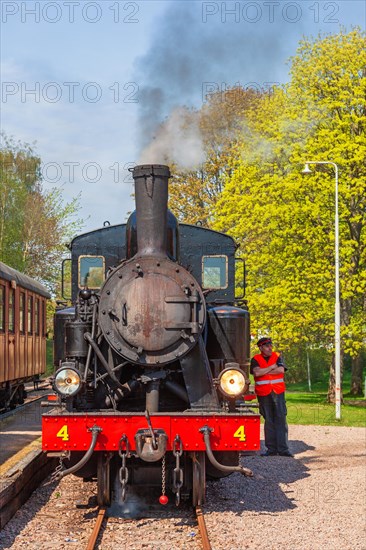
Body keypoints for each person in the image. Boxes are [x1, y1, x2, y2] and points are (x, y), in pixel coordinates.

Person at [250, 337, 293, 457]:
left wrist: (265, 371)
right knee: (268, 420)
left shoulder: (277, 356)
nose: (270, 348)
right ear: (261, 348)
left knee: (280, 419)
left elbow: (281, 370)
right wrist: (271, 367)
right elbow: (256, 373)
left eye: (271, 345)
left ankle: (283, 449)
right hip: (264, 393)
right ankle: (271, 449)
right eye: (267, 346)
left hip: (277, 392)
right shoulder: (255, 359)